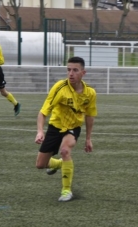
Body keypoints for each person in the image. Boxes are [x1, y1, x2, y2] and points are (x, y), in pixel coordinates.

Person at [35, 56, 97, 202]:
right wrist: (40, 131)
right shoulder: (60, 88)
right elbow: (44, 111)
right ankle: (60, 164)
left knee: (65, 150)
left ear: (83, 72)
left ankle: (66, 190)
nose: (71, 73)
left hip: (73, 128)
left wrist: (88, 139)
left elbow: (90, 116)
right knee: (40, 165)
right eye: (69, 70)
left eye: (75, 70)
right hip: (55, 127)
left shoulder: (90, 93)